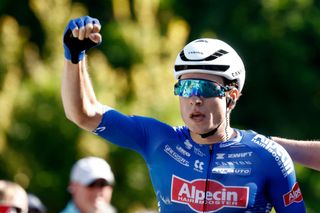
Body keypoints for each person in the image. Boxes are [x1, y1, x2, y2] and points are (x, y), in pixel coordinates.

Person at [61, 16, 306, 212]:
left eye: (206, 88)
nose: (195, 99)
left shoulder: (268, 156)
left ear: (231, 97)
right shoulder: (158, 140)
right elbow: (84, 114)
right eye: (186, 88)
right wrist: (75, 57)